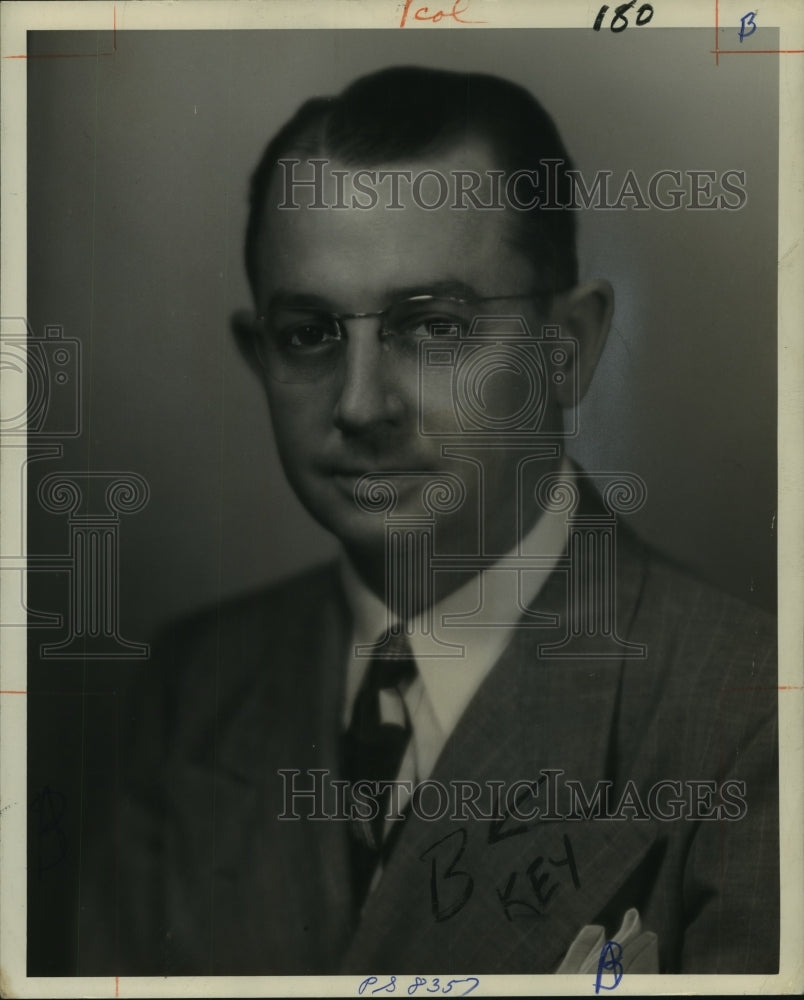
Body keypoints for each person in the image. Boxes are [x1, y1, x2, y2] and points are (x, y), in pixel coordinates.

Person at [94, 66, 778, 977]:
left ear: (565, 351)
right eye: (309, 333)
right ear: (259, 357)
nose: (363, 403)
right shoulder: (187, 693)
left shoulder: (755, 718)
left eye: (434, 326)